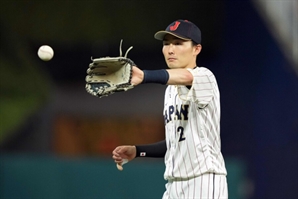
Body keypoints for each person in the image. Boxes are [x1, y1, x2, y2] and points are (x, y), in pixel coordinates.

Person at [112, 19, 228, 199]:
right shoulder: (170, 91)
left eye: (178, 43)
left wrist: (145, 75)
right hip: (173, 185)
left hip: (204, 181)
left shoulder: (206, 77)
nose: (170, 49)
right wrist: (138, 150)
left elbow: (186, 76)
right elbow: (176, 142)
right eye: (166, 44)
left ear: (196, 49)